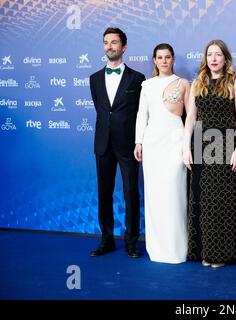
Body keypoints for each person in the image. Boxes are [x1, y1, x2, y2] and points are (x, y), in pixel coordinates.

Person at [182, 39, 236, 268]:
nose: (213, 59)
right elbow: (190, 118)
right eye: (210, 54)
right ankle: (206, 251)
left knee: (224, 202)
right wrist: (185, 147)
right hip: (202, 146)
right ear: (205, 58)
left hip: (227, 146)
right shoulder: (197, 83)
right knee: (203, 200)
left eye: (218, 55)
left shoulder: (235, 82)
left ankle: (222, 254)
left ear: (225, 59)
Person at [89, 27, 146, 258]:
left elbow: (140, 113)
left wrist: (138, 140)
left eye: (114, 42)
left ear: (124, 46)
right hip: (103, 144)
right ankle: (107, 240)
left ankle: (131, 242)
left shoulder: (138, 79)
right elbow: (102, 111)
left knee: (131, 192)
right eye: (106, 42)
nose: (109, 46)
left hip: (128, 144)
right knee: (104, 192)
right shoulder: (93, 79)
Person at [134, 43, 190, 263]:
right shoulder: (146, 85)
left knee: (175, 194)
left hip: (175, 140)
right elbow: (141, 115)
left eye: (168, 57)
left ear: (173, 59)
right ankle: (157, 248)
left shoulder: (183, 83)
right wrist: (138, 142)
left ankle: (178, 248)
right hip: (152, 142)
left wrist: (187, 144)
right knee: (155, 196)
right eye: (160, 57)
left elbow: (190, 118)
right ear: (154, 61)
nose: (164, 61)